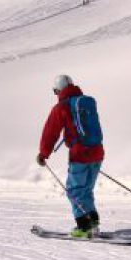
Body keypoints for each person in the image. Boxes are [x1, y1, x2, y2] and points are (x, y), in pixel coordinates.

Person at [36, 75, 104, 237]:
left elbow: (50, 133)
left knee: (74, 190)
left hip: (80, 154)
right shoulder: (87, 102)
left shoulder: (61, 108)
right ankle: (92, 222)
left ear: (59, 90)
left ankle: (84, 226)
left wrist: (43, 154)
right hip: (97, 152)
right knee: (86, 189)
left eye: (55, 91)